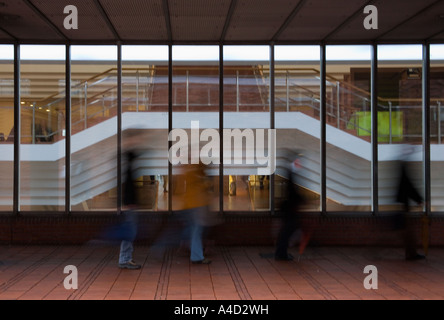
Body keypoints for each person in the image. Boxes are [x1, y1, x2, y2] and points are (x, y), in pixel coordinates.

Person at [274, 154, 307, 261]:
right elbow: (292, 191)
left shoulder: (290, 174)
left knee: (286, 231)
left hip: (289, 209)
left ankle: (281, 252)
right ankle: (281, 253)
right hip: (290, 209)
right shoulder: (291, 174)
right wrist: (301, 199)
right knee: (287, 231)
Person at [118, 131, 143, 270]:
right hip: (129, 203)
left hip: (129, 202)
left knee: (130, 232)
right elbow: (127, 185)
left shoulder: (128, 162)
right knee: (129, 232)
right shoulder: (127, 162)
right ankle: (124, 259)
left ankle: (126, 258)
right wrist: (129, 202)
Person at [179, 162, 212, 264]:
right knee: (196, 232)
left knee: (194, 231)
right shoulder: (197, 177)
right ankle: (196, 256)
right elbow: (206, 186)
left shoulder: (191, 175)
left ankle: (194, 253)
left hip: (191, 207)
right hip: (196, 208)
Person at [395, 158, 425, 261]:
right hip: (404, 206)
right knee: (408, 232)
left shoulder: (399, 174)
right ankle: (411, 253)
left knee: (405, 231)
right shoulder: (404, 176)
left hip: (401, 205)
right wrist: (419, 200)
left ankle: (411, 253)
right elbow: (409, 187)